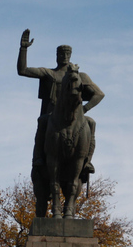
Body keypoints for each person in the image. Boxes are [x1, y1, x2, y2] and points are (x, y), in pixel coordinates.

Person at [17, 29, 104, 175]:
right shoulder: (50, 73)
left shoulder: (80, 76)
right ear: (56, 56)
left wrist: (84, 109)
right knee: (42, 121)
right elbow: (23, 70)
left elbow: (99, 94)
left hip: (75, 117)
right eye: (61, 54)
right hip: (53, 115)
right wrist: (23, 49)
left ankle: (87, 161)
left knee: (91, 123)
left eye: (67, 54)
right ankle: (38, 158)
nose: (64, 56)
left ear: (71, 56)